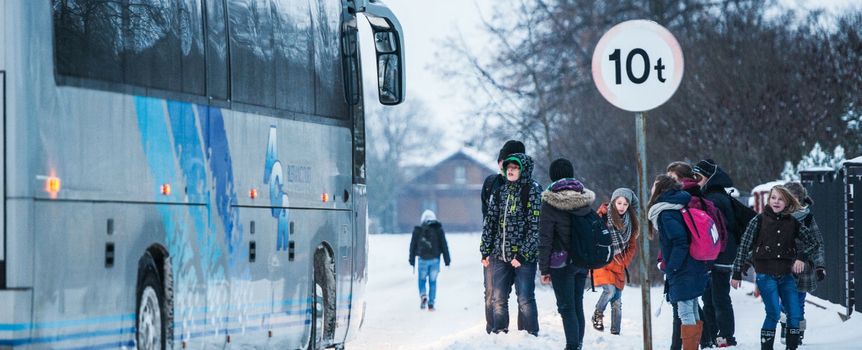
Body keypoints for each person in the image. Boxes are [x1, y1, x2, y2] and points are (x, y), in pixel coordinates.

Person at [730, 185, 821, 350]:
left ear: (788, 202)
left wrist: (802, 257)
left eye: (781, 199)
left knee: (794, 315)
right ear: (769, 199)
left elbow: (814, 242)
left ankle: (791, 347)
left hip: (787, 275)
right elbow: (744, 246)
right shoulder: (758, 220)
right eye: (773, 198)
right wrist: (737, 272)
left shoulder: (793, 222)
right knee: (773, 313)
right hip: (766, 276)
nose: (776, 202)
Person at [481, 152, 542, 335]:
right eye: (508, 168)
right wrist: (485, 250)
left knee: (525, 299)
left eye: (515, 168)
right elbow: (490, 223)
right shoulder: (500, 192)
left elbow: (536, 227)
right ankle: (500, 335)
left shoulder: (532, 190)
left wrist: (522, 254)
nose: (511, 171)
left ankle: (531, 336)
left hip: (524, 258)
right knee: (498, 299)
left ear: (522, 170)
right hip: (500, 255)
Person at [648, 175, 709, 350]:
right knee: (692, 307)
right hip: (694, 264)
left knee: (685, 310)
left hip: (683, 269)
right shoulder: (680, 206)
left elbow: (680, 242)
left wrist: (670, 266)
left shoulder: (666, 213)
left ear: (660, 190)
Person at [538, 159, 592, 350]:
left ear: (553, 176)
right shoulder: (584, 198)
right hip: (582, 260)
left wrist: (544, 269)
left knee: (566, 307)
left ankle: (572, 346)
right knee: (577, 305)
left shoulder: (550, 202)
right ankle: (578, 344)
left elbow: (545, 239)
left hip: (561, 264)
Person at [665, 161, 720, 349]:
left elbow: (678, 237)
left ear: (681, 179)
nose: (668, 181)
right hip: (700, 261)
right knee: (692, 305)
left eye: (671, 177)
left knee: (682, 310)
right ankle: (705, 341)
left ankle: (685, 345)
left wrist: (668, 263)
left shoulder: (683, 200)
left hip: (686, 263)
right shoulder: (700, 198)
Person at [692, 159, 740, 347]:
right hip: (720, 253)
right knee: (711, 296)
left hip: (720, 254)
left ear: (708, 177)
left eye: (699, 177)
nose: (696, 180)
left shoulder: (713, 198)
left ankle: (725, 335)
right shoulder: (715, 195)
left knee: (718, 296)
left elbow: (717, 229)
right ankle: (714, 334)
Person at [480, 140, 525, 333]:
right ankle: (494, 331)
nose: (505, 166)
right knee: (492, 293)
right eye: (502, 161)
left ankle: (526, 335)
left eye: (511, 163)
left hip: (521, 250)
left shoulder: (528, 186)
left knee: (523, 295)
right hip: (495, 248)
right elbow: (486, 218)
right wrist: (487, 247)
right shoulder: (492, 183)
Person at [778, 182, 826, 345]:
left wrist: (820, 266)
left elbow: (817, 242)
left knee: (798, 301)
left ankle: (796, 332)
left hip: (803, 268)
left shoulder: (808, 219)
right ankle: (787, 327)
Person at [590, 188, 640, 335]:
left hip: (618, 265)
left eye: (625, 204)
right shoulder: (603, 217)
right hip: (603, 262)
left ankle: (615, 332)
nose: (622, 206)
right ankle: (598, 313)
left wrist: (624, 262)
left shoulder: (631, 223)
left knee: (617, 301)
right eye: (619, 203)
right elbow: (594, 237)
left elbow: (632, 246)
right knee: (609, 290)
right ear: (613, 202)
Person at [408, 209, 451, 311]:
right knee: (433, 282)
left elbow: (412, 246)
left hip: (422, 259)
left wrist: (411, 259)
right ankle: (431, 304)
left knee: (422, 280)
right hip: (435, 260)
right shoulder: (438, 229)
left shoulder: (418, 230)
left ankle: (423, 294)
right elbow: (444, 245)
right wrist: (447, 260)